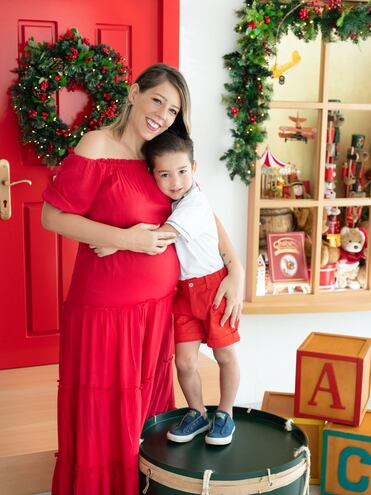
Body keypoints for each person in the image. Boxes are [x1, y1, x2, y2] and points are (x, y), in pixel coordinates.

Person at [42, 63, 244, 494]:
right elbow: (52, 216)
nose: (163, 115)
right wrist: (125, 239)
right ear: (134, 93)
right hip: (105, 311)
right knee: (106, 411)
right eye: (158, 101)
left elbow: (201, 214)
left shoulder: (165, 155)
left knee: (145, 418)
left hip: (157, 311)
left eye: (173, 110)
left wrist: (237, 269)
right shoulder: (98, 145)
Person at [95, 131, 242, 446]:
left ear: (194, 168)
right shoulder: (169, 201)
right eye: (165, 174)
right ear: (152, 174)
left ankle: (226, 414)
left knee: (225, 355)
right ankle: (198, 412)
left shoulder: (194, 202)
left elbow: (159, 238)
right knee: (185, 362)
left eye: (182, 171)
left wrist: (114, 243)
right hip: (184, 294)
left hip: (213, 287)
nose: (175, 181)